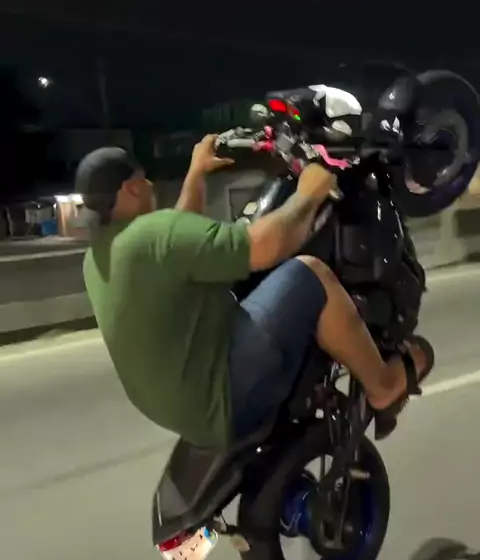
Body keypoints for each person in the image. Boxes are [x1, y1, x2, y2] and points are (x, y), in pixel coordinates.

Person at [76, 137, 432, 449]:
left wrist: (196, 173)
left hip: (178, 408)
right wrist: (309, 193)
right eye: (143, 179)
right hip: (223, 399)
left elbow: (176, 238)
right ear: (131, 188)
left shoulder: (100, 256)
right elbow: (264, 246)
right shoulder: (151, 234)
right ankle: (382, 386)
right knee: (309, 274)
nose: (150, 184)